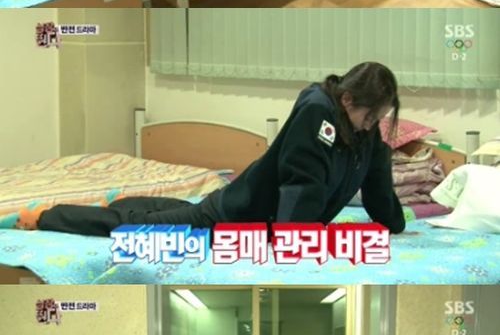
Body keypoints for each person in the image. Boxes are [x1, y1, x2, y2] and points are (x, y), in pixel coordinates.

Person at [17, 62, 406, 236]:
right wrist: (294, 244)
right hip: (237, 215)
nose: (372, 126)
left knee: (177, 211)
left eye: (379, 119)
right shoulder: (318, 113)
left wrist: (394, 221)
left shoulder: (366, 133)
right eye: (370, 116)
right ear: (348, 99)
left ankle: (122, 201)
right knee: (141, 227)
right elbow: (301, 186)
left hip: (250, 211)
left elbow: (378, 189)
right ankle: (47, 216)